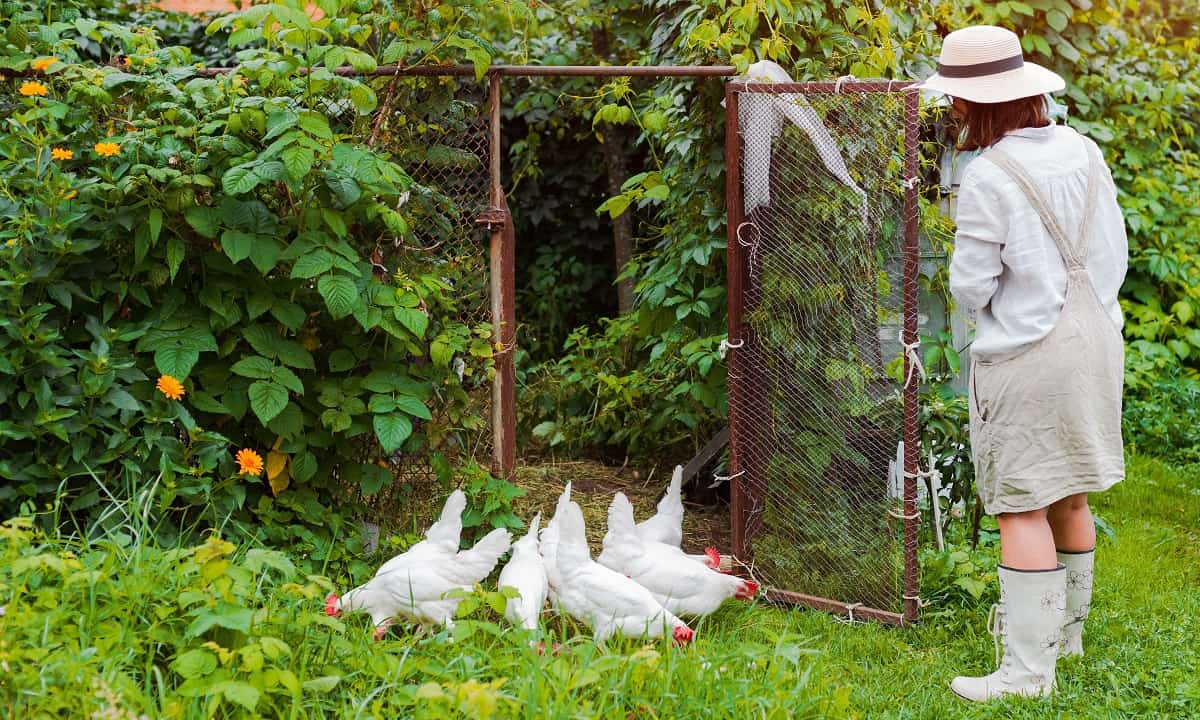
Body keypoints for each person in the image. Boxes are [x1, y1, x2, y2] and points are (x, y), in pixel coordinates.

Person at [920, 25, 1129, 702]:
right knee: (1071, 492)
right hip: (1096, 338)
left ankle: (1027, 674)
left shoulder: (988, 174)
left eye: (956, 102)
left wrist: (990, 309)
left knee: (1020, 506)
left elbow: (971, 284)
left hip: (1028, 350)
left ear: (977, 105)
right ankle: (1065, 636)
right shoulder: (1083, 150)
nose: (951, 113)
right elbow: (1112, 253)